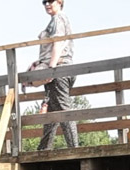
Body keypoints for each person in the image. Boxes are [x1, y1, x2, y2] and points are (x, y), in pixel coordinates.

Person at [35, 0, 78, 150]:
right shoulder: (56, 19)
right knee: (52, 111)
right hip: (59, 67)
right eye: (44, 2)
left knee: (63, 110)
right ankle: (43, 149)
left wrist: (51, 68)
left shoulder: (59, 18)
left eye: (50, 1)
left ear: (60, 2)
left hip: (58, 69)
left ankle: (74, 149)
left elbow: (58, 43)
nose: (47, 4)